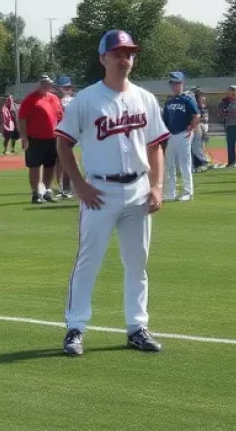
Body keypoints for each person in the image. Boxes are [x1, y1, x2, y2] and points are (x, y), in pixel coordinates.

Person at [55, 30, 169, 357]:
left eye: (129, 53)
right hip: (99, 190)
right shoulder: (85, 100)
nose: (125, 59)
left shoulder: (145, 98)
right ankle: (75, 328)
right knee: (88, 261)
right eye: (118, 53)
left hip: (137, 189)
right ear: (103, 58)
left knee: (137, 262)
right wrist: (78, 183)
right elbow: (63, 141)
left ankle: (137, 327)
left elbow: (155, 146)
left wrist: (158, 185)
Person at [17, 74, 64, 203]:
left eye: (48, 83)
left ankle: (46, 190)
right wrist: (24, 136)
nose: (46, 85)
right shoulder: (30, 99)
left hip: (52, 137)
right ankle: (36, 193)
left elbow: (60, 116)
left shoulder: (54, 98)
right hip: (35, 138)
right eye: (43, 83)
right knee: (35, 166)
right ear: (38, 84)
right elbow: (22, 118)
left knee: (50, 165)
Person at [162, 71, 200, 202]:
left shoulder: (187, 99)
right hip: (171, 134)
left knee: (184, 164)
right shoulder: (169, 100)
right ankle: (170, 192)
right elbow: (165, 119)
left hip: (183, 133)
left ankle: (187, 192)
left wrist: (191, 128)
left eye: (177, 83)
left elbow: (196, 115)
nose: (175, 86)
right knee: (169, 165)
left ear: (182, 84)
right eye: (172, 83)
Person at [54, 75, 76, 198]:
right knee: (61, 161)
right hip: (69, 134)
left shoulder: (62, 100)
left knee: (62, 161)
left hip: (63, 134)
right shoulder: (73, 100)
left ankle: (65, 187)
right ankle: (63, 186)